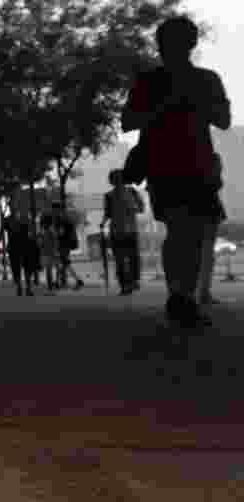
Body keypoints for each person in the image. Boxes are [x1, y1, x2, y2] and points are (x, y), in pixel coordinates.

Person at [121, 15, 231, 327]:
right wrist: (169, 106)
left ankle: (181, 297)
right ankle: (181, 298)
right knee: (185, 230)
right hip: (176, 165)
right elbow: (129, 120)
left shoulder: (198, 81)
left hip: (185, 165)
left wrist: (187, 104)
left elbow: (221, 118)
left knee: (188, 233)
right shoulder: (166, 81)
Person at [101, 169, 145, 295]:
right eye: (115, 179)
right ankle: (124, 285)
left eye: (119, 178)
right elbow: (107, 213)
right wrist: (103, 223)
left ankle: (133, 281)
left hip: (131, 230)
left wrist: (133, 208)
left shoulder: (132, 191)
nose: (117, 181)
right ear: (112, 181)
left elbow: (141, 208)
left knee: (133, 259)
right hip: (116, 232)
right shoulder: (109, 196)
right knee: (119, 260)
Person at [197, 152, 228, 309]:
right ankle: (203, 293)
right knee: (206, 255)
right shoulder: (210, 180)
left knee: (203, 254)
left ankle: (200, 292)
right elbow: (217, 183)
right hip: (208, 214)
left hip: (202, 214)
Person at [46, 201, 85, 290]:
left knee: (64, 263)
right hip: (65, 244)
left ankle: (77, 280)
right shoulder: (64, 218)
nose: (52, 212)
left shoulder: (60, 219)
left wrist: (52, 232)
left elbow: (61, 232)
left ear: (57, 209)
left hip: (64, 244)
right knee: (63, 264)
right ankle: (58, 282)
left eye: (53, 210)